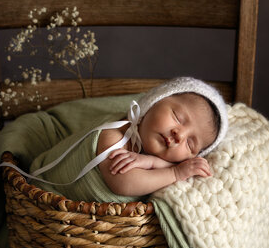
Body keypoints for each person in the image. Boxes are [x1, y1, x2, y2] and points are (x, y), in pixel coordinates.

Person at [97, 77, 229, 197]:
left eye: (190, 144)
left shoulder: (164, 163)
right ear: (154, 102)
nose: (180, 135)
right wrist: (175, 173)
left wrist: (155, 163)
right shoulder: (114, 135)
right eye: (178, 118)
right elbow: (123, 183)